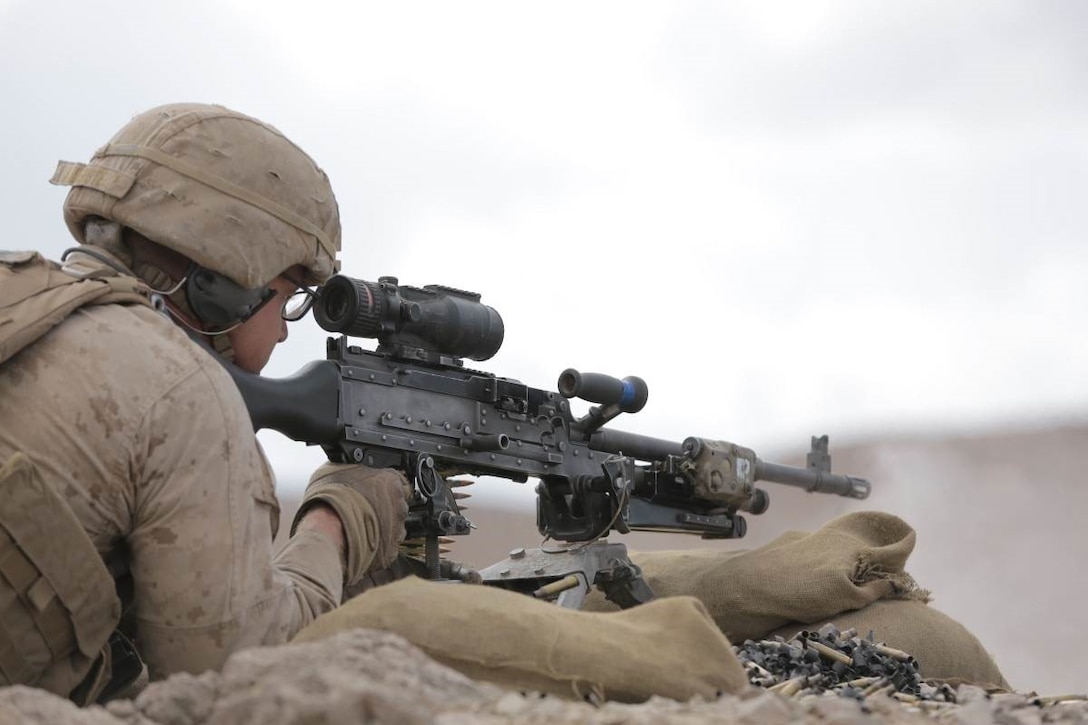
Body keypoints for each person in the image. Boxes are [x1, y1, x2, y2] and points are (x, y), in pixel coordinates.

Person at [0, 103, 409, 703]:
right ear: (226, 283)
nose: (284, 332)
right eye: (289, 296)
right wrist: (337, 521)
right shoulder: (183, 391)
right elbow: (235, 675)